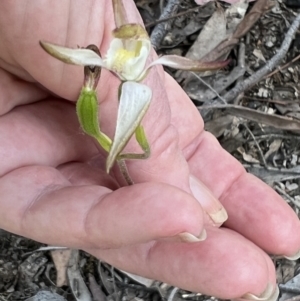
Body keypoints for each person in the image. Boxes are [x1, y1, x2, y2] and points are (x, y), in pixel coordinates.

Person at [0, 1, 299, 300]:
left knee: (134, 148)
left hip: (131, 86)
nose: (128, 40)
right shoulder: (113, 66)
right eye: (123, 38)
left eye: (135, 38)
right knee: (117, 143)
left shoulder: (141, 77)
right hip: (115, 86)